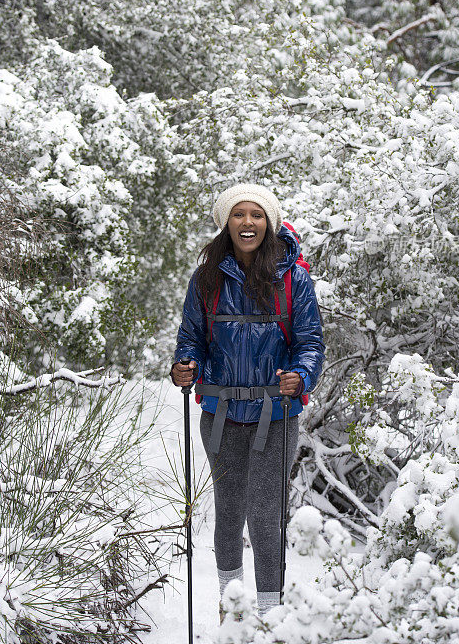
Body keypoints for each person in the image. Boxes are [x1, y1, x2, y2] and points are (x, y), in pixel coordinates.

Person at [171, 183, 325, 621]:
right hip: (219, 413)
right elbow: (191, 341)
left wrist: (302, 375)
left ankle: (270, 614)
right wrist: (185, 366)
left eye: (256, 215)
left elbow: (310, 341)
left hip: (274, 414)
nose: (247, 223)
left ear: (269, 223)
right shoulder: (206, 278)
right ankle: (230, 608)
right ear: (226, 222)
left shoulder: (292, 276)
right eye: (238, 214)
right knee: (228, 510)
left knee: (265, 514)